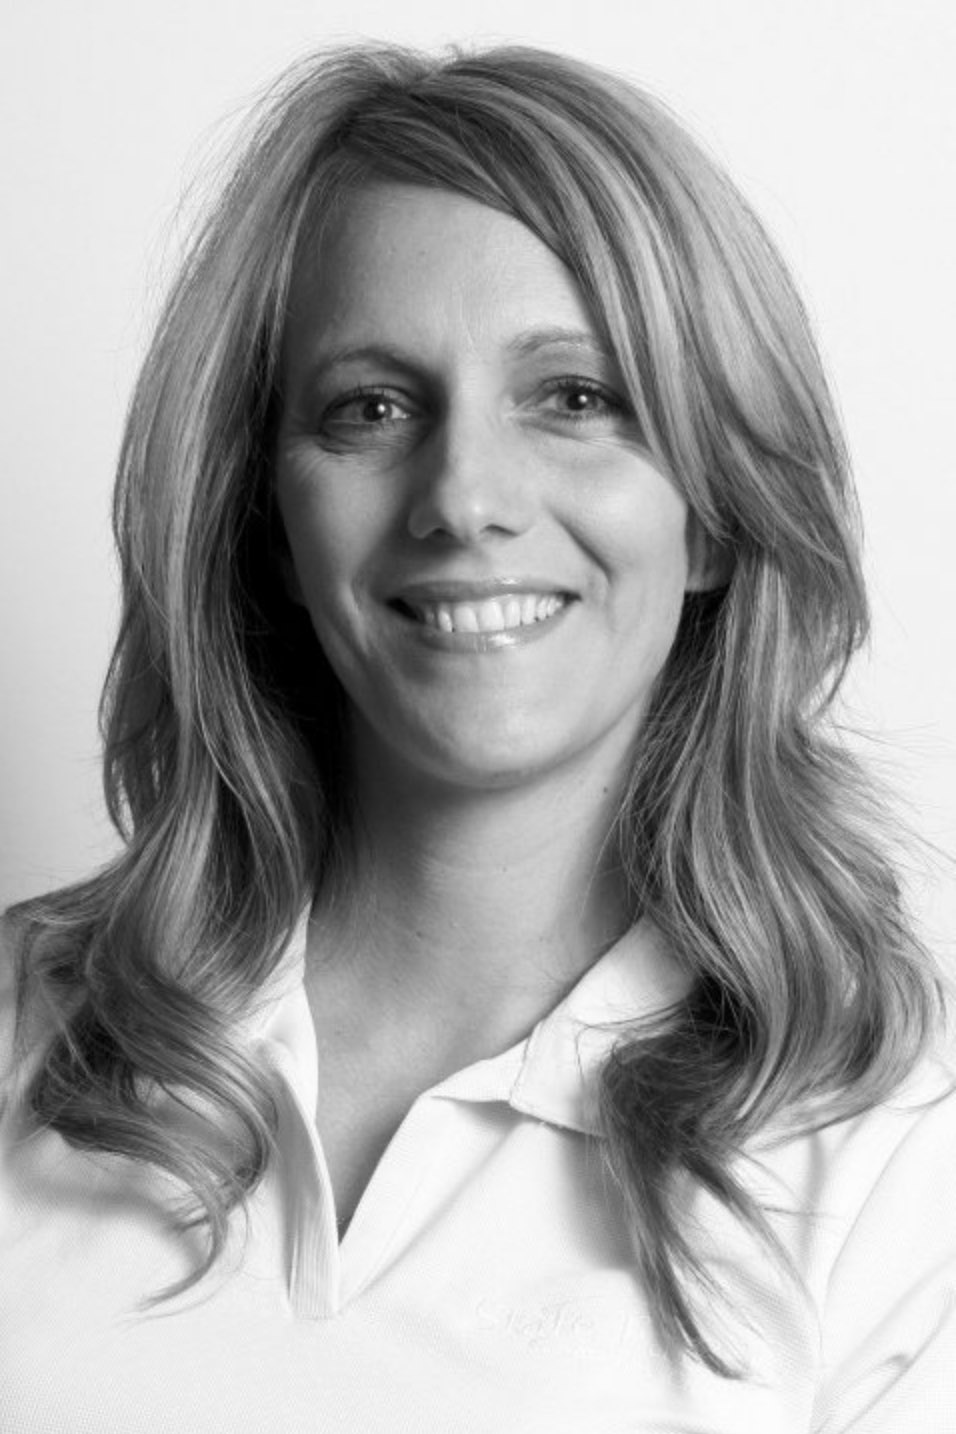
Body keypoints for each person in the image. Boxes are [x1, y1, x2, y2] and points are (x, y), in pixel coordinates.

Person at [1, 39, 954, 1434]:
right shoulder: (25, 1023)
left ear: (716, 510)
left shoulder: (895, 1156)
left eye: (575, 397)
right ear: (264, 520)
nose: (464, 496)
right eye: (371, 408)